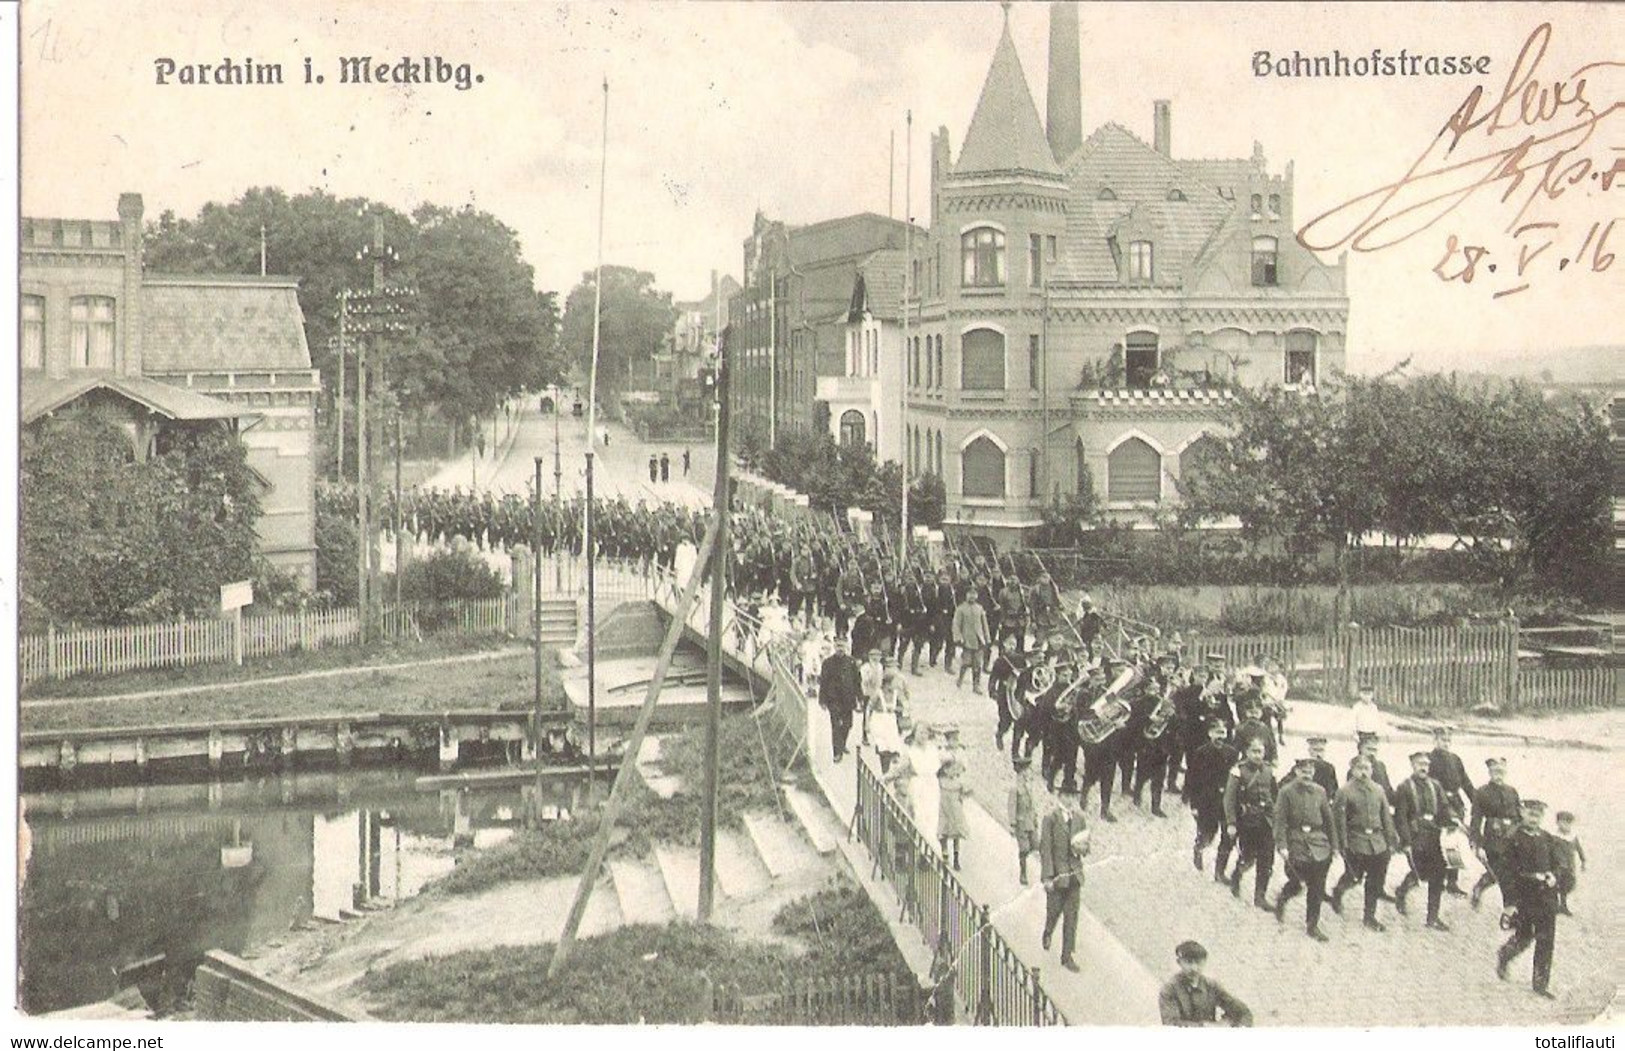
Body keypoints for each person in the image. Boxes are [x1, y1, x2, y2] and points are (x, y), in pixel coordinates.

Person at [1496, 799, 1572, 999]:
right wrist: (1510, 904)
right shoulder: (1512, 838)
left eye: (1537, 815)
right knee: (1524, 937)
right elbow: (1505, 874)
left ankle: (1540, 983)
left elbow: (1561, 863)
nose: (1533, 818)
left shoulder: (1547, 838)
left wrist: (1554, 875)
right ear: (1522, 813)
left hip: (1546, 898)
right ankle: (1505, 954)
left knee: (1546, 940)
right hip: (1524, 898)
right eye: (1530, 814)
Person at [1330, 753, 1399, 931]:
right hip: (1356, 841)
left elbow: (1386, 817)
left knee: (1375, 880)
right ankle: (1338, 891)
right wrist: (1343, 845)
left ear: (1372, 770)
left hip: (1377, 842)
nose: (1363, 772)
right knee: (1354, 877)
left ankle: (1370, 916)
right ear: (1352, 770)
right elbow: (1340, 821)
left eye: (1367, 768)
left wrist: (1391, 839)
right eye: (1359, 768)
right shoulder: (1344, 791)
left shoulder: (1378, 790)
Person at [1273, 757, 1338, 941]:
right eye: (1303, 771)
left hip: (1318, 843)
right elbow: (1280, 821)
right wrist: (1282, 846)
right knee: (1296, 880)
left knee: (1317, 886)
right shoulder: (1286, 792)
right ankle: (1283, 898)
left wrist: (1335, 845)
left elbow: (1329, 820)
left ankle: (1312, 925)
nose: (1307, 775)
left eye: (1310, 772)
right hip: (1296, 842)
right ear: (1296, 772)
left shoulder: (1320, 792)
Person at [1392, 751, 1453, 930]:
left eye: (1426, 764)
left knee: (1439, 875)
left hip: (1435, 836)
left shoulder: (1436, 785)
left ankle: (1432, 918)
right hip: (1416, 837)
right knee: (1421, 872)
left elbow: (1444, 808)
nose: (1423, 767)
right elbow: (1401, 817)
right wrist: (1406, 842)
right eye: (1420, 764)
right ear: (1413, 765)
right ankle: (1402, 891)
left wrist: (1451, 822)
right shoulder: (1405, 787)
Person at [1223, 737, 1277, 910]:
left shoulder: (1269, 770)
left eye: (1260, 751)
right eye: (1254, 751)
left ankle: (1260, 896)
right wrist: (1231, 822)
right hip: (1247, 821)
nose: (1257, 755)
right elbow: (1229, 799)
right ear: (1246, 752)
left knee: (1267, 860)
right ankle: (1236, 876)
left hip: (1267, 821)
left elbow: (1275, 796)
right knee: (1248, 857)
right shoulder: (1238, 771)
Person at [1039, 791, 1089, 973]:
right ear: (1060, 796)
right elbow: (1045, 848)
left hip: (1074, 874)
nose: (1070, 800)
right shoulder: (1050, 819)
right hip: (1058, 876)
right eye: (1067, 795)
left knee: (1072, 916)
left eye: (1073, 796)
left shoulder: (1079, 818)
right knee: (1053, 911)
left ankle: (1067, 955)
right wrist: (1047, 877)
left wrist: (1081, 849)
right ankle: (1048, 930)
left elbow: (1086, 845)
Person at [1187, 719, 1239, 880]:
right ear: (1209, 734)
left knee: (1227, 837)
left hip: (1226, 801)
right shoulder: (1201, 752)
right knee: (1208, 834)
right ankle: (1199, 847)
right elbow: (1192, 778)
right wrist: (1194, 804)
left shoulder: (1232, 753)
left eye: (1223, 733)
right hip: (1207, 801)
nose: (1220, 736)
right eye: (1217, 732)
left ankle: (1219, 872)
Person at [1158, 941, 1253, 1027]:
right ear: (1179, 962)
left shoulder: (1212, 986)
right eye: (1188, 962)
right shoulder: (1170, 989)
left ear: (1204, 962)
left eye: (1198, 962)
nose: (1194, 968)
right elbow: (1171, 1025)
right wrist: (1205, 1026)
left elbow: (1243, 1012)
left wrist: (1230, 1025)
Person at [1427, 725, 1474, 896]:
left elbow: (1466, 782)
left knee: (1455, 842)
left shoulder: (1455, 759)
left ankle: (1452, 881)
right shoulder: (1429, 759)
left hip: (1455, 803)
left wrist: (1476, 801)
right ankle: (1438, 878)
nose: (1445, 744)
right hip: (1438, 804)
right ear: (1435, 740)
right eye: (1442, 740)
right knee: (1439, 842)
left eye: (1448, 741)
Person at [1470, 757, 1521, 910]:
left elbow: (1519, 816)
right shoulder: (1481, 792)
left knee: (1508, 871)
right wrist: (1477, 844)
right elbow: (1476, 819)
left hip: (1511, 836)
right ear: (1490, 772)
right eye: (1495, 771)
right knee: (1499, 869)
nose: (1498, 774)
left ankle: (1481, 887)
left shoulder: (1512, 791)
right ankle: (1508, 906)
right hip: (1493, 837)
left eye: (1501, 771)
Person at [818, 637, 862, 762]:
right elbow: (823, 682)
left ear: (846, 647)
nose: (840, 649)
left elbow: (857, 681)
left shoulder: (851, 662)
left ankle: (842, 744)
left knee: (848, 724)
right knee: (836, 725)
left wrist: (860, 697)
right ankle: (837, 752)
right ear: (834, 647)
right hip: (834, 699)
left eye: (842, 646)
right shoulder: (827, 663)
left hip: (848, 699)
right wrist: (822, 700)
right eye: (838, 646)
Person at [936, 730, 970, 870]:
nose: (954, 742)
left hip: (956, 788)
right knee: (944, 822)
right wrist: (948, 763)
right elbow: (941, 762)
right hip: (945, 789)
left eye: (956, 739)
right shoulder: (943, 752)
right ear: (947, 740)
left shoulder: (961, 752)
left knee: (956, 824)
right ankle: (945, 854)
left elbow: (964, 767)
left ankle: (956, 857)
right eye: (951, 739)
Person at [1008, 754, 1041, 885]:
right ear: (1021, 772)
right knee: (1024, 849)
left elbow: (1032, 804)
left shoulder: (1029, 787)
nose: (1028, 773)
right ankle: (1023, 873)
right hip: (1021, 822)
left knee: (1036, 846)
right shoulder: (1015, 788)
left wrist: (1035, 818)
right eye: (1026, 771)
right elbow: (1011, 806)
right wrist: (1012, 824)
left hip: (1030, 822)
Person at [952, 587, 991, 694]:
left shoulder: (980, 608)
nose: (972, 596)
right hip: (967, 640)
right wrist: (958, 637)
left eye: (974, 594)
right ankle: (960, 679)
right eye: (970, 594)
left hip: (979, 641)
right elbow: (956, 624)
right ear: (966, 595)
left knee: (977, 664)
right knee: (966, 662)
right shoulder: (961, 609)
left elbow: (985, 624)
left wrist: (987, 638)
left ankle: (976, 685)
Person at [1552, 811, 1584, 916]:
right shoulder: (1555, 837)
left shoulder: (1572, 837)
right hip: (1558, 866)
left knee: (1566, 886)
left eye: (1568, 823)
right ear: (1557, 823)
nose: (1565, 826)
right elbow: (1549, 850)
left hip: (1569, 866)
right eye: (1562, 823)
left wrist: (1583, 860)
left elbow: (1579, 849)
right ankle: (1556, 905)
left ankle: (1563, 906)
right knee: (1556, 885)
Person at [1231, 697, 1277, 767]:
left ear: (1261, 713)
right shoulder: (1242, 729)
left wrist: (1274, 758)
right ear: (1246, 712)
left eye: (1256, 712)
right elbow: (1235, 748)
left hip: (1264, 761)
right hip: (1247, 761)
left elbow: (1272, 745)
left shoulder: (1265, 728)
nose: (1254, 715)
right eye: (1251, 712)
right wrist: (1233, 761)